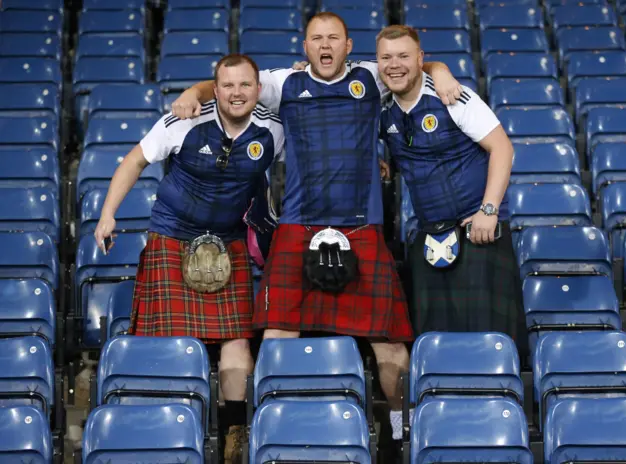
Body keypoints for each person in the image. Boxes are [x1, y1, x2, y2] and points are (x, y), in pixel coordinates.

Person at [169, 11, 462, 446]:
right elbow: (228, 84)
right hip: (298, 227)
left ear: (348, 46)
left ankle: (401, 435)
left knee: (391, 343)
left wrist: (443, 70)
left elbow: (417, 65)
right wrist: (192, 93)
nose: (324, 46)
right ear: (304, 48)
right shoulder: (283, 82)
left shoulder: (371, 75)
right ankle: (272, 424)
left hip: (362, 228)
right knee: (276, 336)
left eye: (333, 39)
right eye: (316, 39)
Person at [93, 54, 285, 464]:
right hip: (172, 237)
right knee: (168, 344)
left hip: (228, 241)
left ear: (258, 89)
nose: (237, 93)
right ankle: (168, 424)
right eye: (228, 86)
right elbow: (134, 160)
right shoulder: (184, 120)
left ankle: (234, 434)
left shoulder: (273, 130)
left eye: (245, 86)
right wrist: (108, 214)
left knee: (237, 341)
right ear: (215, 90)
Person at [377, 25, 528, 362]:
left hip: (478, 232)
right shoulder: (384, 108)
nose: (394, 64)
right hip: (429, 235)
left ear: (420, 58)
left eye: (403, 56)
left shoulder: (453, 96)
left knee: (489, 345)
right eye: (386, 58)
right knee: (436, 346)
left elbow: (502, 148)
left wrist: (488, 211)